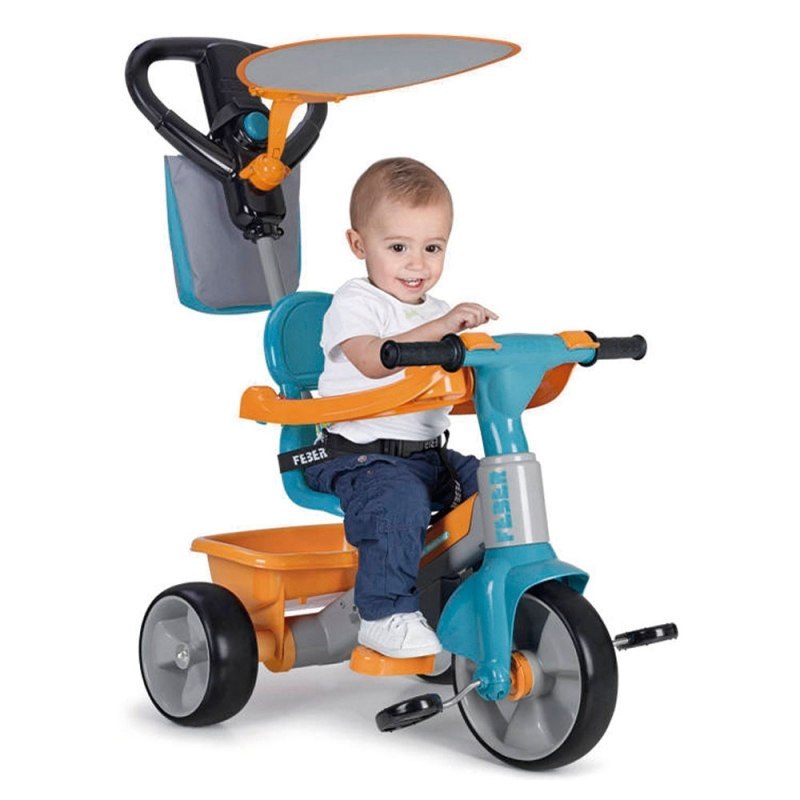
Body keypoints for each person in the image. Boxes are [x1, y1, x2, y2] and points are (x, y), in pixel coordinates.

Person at [304, 157, 496, 658]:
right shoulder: (356, 302)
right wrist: (444, 329)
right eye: (398, 247)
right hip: (358, 457)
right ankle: (384, 614)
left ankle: (479, 588)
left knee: (495, 484)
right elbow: (372, 359)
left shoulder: (439, 312)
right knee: (398, 500)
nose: (417, 264)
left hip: (428, 457)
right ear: (358, 245)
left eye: (433, 247)